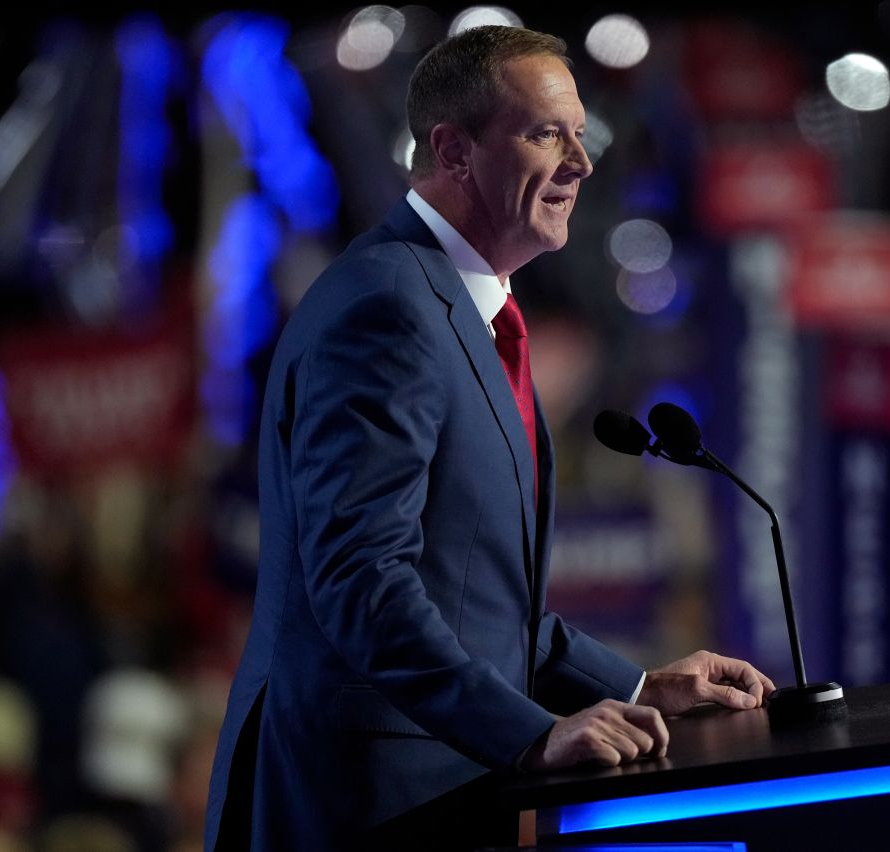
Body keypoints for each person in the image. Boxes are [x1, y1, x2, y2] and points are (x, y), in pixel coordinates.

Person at [204, 24, 775, 852]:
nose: (580, 163)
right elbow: (361, 582)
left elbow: (474, 605)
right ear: (454, 149)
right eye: (547, 133)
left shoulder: (472, 312)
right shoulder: (387, 310)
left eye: (580, 134)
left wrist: (643, 682)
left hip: (437, 789)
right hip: (362, 803)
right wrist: (529, 735)